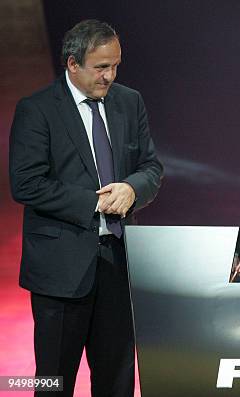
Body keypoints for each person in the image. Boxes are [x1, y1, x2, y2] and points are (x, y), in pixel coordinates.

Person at [9, 19, 163, 396]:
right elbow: (26, 183)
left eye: (115, 65)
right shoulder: (38, 109)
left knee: (117, 377)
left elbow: (151, 167)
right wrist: (94, 204)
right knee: (53, 380)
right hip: (59, 270)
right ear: (72, 64)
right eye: (101, 67)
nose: (110, 75)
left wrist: (132, 187)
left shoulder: (130, 101)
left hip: (118, 262)